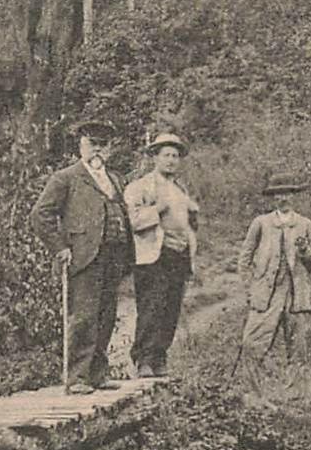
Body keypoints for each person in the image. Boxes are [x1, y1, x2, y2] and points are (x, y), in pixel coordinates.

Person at [30, 118, 135, 394]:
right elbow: (41, 214)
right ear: (81, 146)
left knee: (106, 314)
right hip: (84, 256)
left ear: (110, 149)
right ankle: (77, 378)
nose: (98, 150)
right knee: (84, 316)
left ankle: (97, 374)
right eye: (93, 144)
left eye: (104, 145)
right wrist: (60, 247)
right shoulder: (65, 177)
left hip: (114, 255)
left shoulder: (115, 179)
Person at [124, 132, 200, 378]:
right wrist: (157, 209)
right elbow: (131, 220)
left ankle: (159, 358)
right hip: (154, 255)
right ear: (154, 157)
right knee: (152, 307)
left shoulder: (181, 189)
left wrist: (192, 219)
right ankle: (143, 359)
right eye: (166, 155)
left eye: (175, 156)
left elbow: (186, 223)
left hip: (178, 255)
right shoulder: (140, 186)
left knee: (171, 309)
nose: (171, 160)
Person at [237, 172, 311, 366]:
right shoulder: (261, 223)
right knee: (252, 344)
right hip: (267, 293)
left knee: (298, 348)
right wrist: (249, 286)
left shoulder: (305, 224)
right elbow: (245, 257)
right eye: (278, 194)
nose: (283, 198)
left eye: (287, 193)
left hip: (295, 294)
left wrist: (305, 251)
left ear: (294, 195)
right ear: (273, 198)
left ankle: (296, 395)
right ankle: (254, 394)